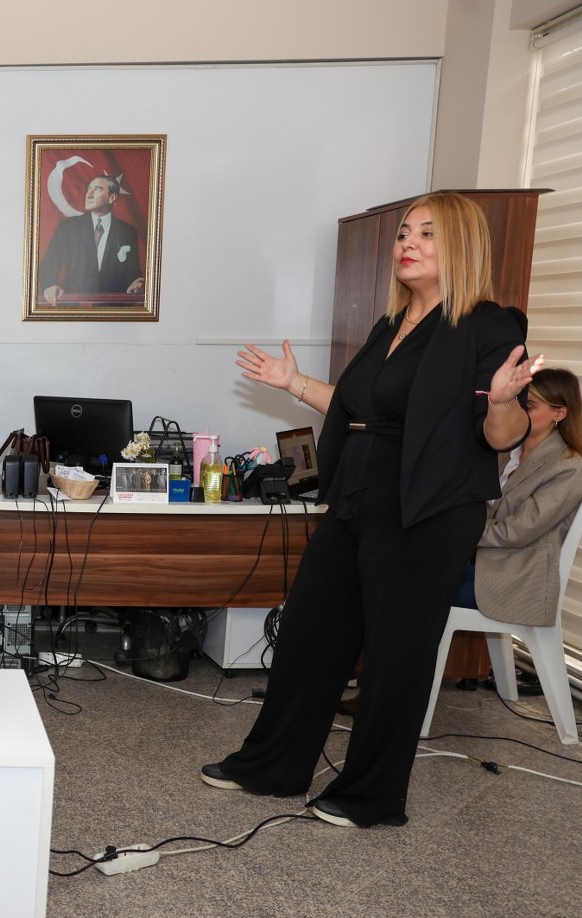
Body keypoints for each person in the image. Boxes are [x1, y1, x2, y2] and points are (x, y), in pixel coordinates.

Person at [203, 191, 538, 828]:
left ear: (461, 247)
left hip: (426, 511)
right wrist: (291, 383)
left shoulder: (490, 325)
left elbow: (502, 434)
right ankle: (274, 764)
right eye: (404, 233)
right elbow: (364, 413)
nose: (407, 243)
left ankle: (371, 795)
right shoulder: (391, 325)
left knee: (396, 653)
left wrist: (500, 401)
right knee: (309, 633)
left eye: (428, 235)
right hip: (357, 496)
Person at [454, 368, 582, 622]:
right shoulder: (505, 449)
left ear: (560, 412)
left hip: (512, 582)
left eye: (530, 406)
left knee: (420, 593)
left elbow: (516, 531)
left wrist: (456, 530)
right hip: (475, 564)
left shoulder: (569, 467)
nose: (520, 413)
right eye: (518, 404)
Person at [37, 174, 144, 302]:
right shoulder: (68, 227)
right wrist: (50, 284)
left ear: (112, 198)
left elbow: (133, 272)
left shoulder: (127, 232)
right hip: (75, 308)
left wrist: (137, 283)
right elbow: (51, 262)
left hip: (113, 310)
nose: (89, 194)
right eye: (89, 189)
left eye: (97, 189)